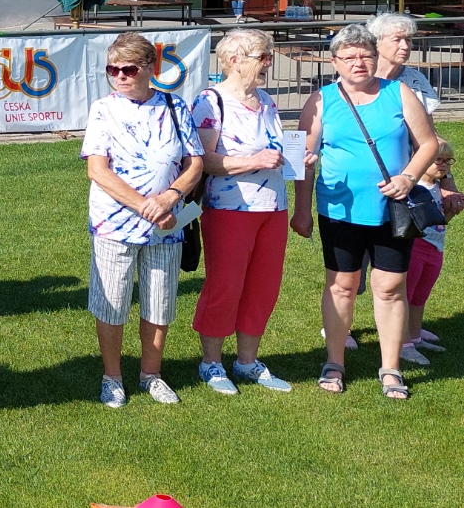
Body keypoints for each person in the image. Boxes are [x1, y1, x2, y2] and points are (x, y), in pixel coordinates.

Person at [294, 23, 439, 399]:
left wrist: (408, 177)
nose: (359, 63)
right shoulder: (321, 100)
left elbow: (428, 144)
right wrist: (301, 210)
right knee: (341, 285)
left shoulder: (399, 93)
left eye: (366, 55)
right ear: (334, 62)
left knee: (390, 288)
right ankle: (334, 362)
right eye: (350, 57)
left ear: (376, 58)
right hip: (339, 211)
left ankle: (390, 368)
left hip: (392, 210)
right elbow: (302, 160)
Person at [80, 32, 204, 408]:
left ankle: (152, 374)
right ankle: (112, 377)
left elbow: (195, 162)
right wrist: (144, 205)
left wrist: (170, 197)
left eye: (129, 69)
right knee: (112, 303)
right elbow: (97, 170)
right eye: (112, 69)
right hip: (114, 224)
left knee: (159, 303)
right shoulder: (103, 109)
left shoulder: (174, 106)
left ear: (151, 68)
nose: (119, 76)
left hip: (166, 226)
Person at [189, 29, 293, 394]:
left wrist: (296, 158)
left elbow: (275, 149)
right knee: (225, 285)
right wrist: (254, 161)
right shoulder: (211, 101)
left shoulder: (266, 100)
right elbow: (202, 160)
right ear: (234, 60)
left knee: (264, 286)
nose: (269, 63)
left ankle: (247, 361)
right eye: (263, 56)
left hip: (274, 208)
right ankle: (211, 363)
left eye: (269, 56)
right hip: (230, 208)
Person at [403, 141, 464, 365]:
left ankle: (415, 337)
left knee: (420, 297)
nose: (444, 165)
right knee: (406, 296)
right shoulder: (416, 187)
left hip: (436, 248)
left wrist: (452, 212)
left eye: (448, 160)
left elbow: (440, 222)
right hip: (416, 247)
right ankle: (403, 344)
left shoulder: (441, 188)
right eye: (438, 160)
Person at [368, 13, 440, 115]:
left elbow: (427, 123)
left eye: (408, 39)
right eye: (396, 40)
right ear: (376, 43)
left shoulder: (416, 79)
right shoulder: (360, 77)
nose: (405, 46)